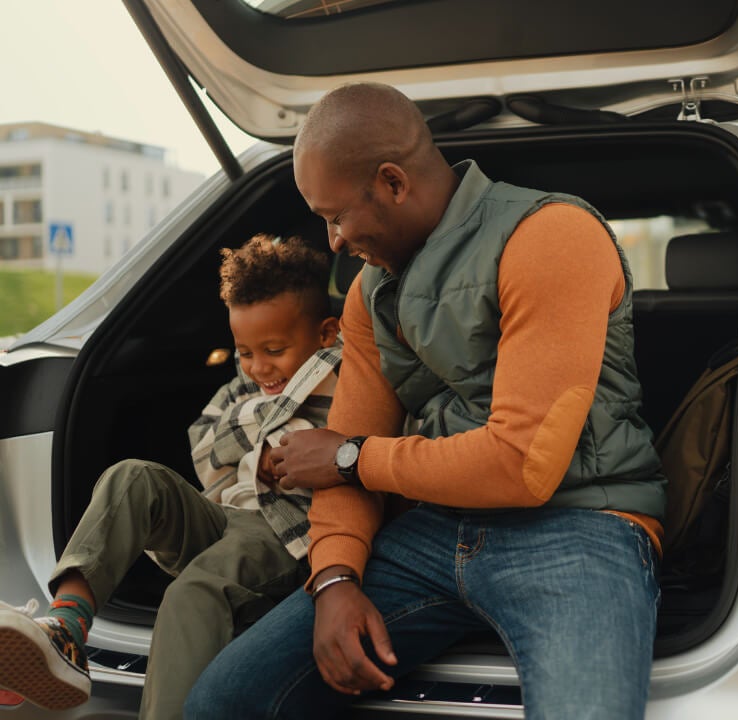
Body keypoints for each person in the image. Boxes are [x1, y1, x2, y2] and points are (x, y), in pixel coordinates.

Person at [186, 82, 667, 720]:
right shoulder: (367, 294)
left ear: (392, 182)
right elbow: (346, 449)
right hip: (431, 533)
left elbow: (522, 465)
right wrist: (334, 578)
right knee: (222, 700)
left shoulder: (552, 235)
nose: (330, 241)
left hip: (582, 526)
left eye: (335, 217)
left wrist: (355, 459)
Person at [0, 234, 341, 718]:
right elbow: (202, 441)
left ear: (326, 334)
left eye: (275, 349)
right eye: (245, 351)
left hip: (288, 533)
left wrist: (252, 429)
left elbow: (334, 447)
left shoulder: (345, 370)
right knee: (131, 476)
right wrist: (268, 430)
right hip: (227, 515)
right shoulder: (248, 382)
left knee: (193, 591)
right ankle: (66, 629)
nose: (259, 367)